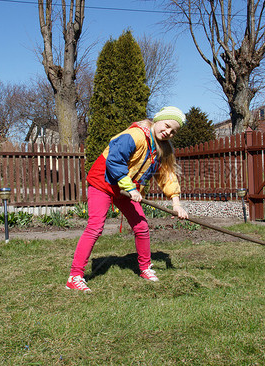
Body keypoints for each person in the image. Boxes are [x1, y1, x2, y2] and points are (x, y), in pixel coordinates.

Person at [66, 106, 189, 292]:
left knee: (141, 226)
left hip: (126, 189)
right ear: (157, 120)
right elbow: (114, 160)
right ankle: (74, 276)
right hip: (103, 183)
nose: (168, 132)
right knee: (95, 226)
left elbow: (167, 176)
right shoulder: (135, 135)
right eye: (166, 126)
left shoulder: (162, 149)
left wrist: (176, 203)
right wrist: (130, 188)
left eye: (173, 132)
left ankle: (145, 268)